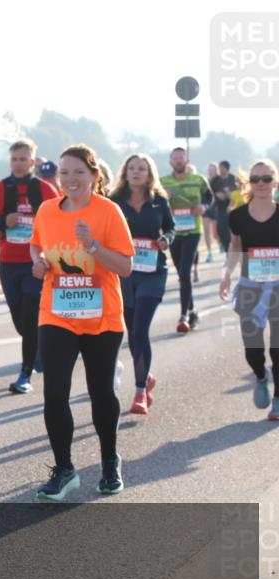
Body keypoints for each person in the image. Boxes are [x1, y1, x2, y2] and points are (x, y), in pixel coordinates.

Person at [30, 144, 135, 500]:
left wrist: (91, 246)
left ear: (94, 176)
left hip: (101, 316)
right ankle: (64, 469)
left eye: (78, 172)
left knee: (101, 392)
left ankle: (109, 461)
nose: (70, 179)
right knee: (54, 392)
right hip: (57, 313)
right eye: (64, 172)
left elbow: (125, 266)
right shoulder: (46, 210)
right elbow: (36, 246)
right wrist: (39, 262)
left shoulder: (108, 212)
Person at [0, 139, 61, 393]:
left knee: (29, 315)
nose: (18, 164)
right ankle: (38, 347)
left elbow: (60, 221)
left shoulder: (46, 190)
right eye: (14, 159)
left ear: (33, 162)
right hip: (8, 262)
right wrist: (5, 220)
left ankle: (25, 374)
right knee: (20, 321)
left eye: (23, 159)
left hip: (35, 263)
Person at [109, 154, 175, 414]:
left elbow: (171, 227)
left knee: (139, 331)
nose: (136, 172)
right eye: (132, 168)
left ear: (150, 173)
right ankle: (146, 376)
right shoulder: (114, 201)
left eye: (142, 169)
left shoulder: (159, 201)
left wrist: (166, 240)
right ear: (125, 172)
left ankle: (139, 392)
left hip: (152, 272)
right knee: (131, 332)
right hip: (124, 273)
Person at [220, 159, 279, 421]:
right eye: (255, 179)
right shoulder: (238, 216)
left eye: (266, 178)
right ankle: (260, 375)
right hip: (250, 288)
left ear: (275, 182)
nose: (261, 184)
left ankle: (278, 399)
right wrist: (227, 274)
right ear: (249, 183)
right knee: (253, 349)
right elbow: (235, 247)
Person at [162, 147, 212, 333]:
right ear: (170, 162)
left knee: (184, 272)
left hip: (193, 230)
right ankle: (193, 310)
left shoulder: (198, 180)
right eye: (175, 158)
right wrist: (164, 198)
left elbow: (209, 196)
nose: (178, 161)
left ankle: (183, 315)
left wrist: (204, 206)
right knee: (182, 275)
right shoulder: (163, 182)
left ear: (187, 160)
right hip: (174, 232)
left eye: (181, 158)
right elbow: (156, 203)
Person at [211, 160, 237, 256]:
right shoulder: (215, 180)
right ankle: (227, 251)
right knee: (221, 231)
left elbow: (235, 194)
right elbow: (213, 193)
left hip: (233, 209)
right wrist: (220, 194)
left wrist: (228, 195)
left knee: (233, 231)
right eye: (219, 167)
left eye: (222, 168)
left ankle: (235, 250)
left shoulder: (233, 179)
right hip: (220, 209)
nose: (220, 170)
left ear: (227, 168)